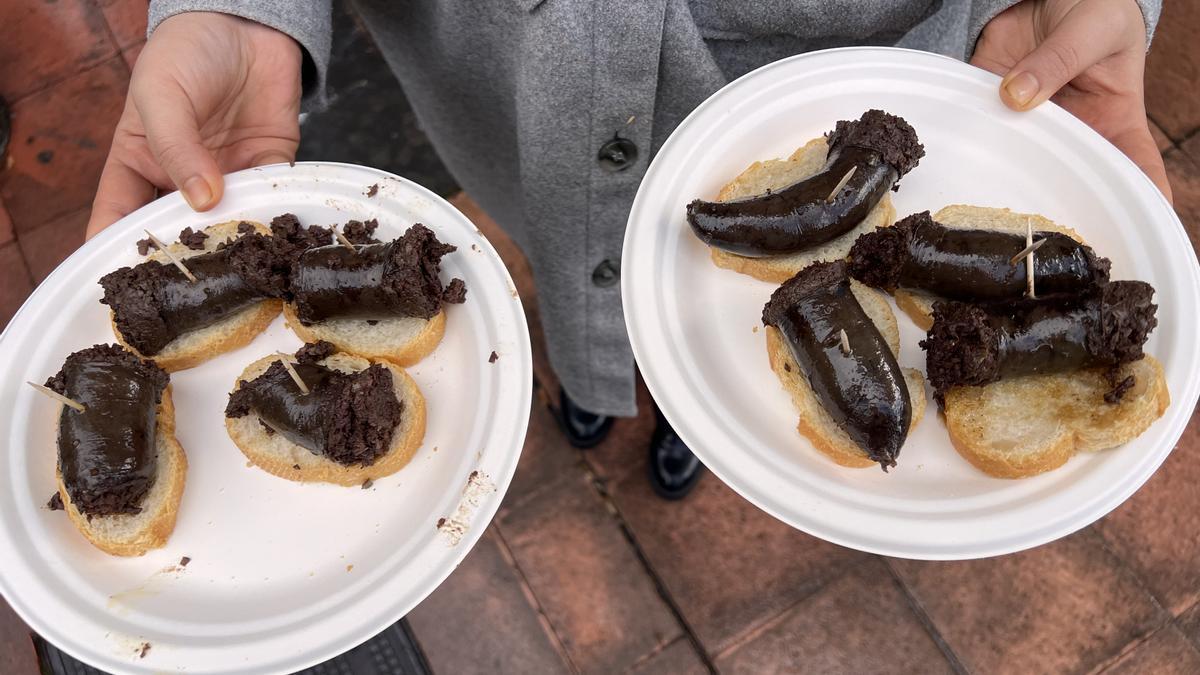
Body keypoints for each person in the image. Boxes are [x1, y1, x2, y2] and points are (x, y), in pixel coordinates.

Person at [87, 0, 1170, 500]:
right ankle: (595, 385)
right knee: (556, 263)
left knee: (717, 331)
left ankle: (683, 416)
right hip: (503, 88)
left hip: (860, 64)